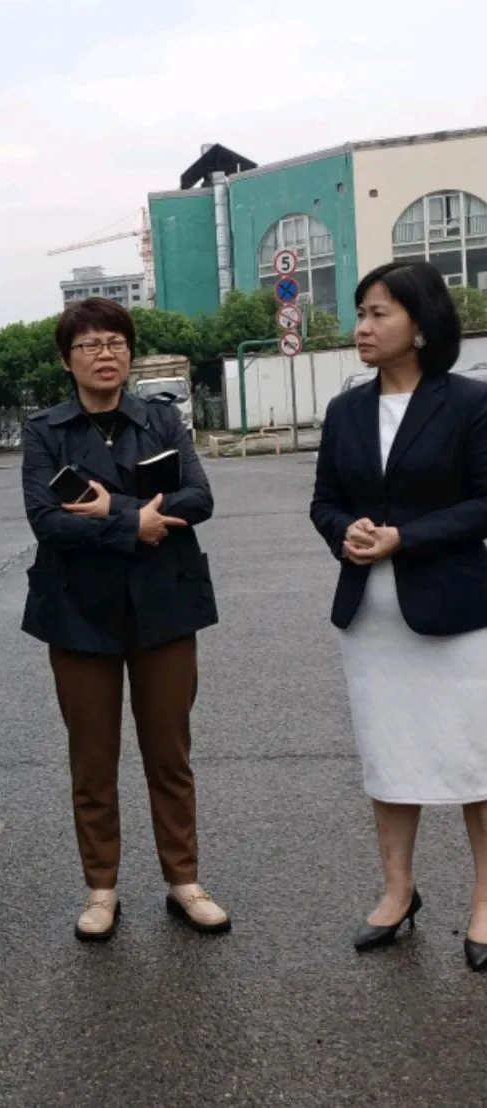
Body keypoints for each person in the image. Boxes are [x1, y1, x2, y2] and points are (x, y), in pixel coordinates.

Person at [21, 297, 229, 942]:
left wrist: (113, 511)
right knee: (92, 761)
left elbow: (200, 498)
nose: (104, 355)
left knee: (170, 754)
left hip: (164, 606)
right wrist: (132, 521)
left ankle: (184, 880)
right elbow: (47, 520)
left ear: (130, 353)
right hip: (79, 613)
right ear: (67, 360)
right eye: (89, 345)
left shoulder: (161, 419)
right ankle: (101, 887)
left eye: (115, 342)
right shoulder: (46, 431)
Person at [310, 261, 487, 971]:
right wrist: (345, 529)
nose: (362, 326)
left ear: (420, 325)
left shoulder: (470, 403)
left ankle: (485, 901)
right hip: (372, 622)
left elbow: (484, 502)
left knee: (475, 761)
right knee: (390, 758)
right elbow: (324, 500)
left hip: (457, 616)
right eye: (360, 313)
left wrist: (405, 537)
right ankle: (398, 891)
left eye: (378, 313)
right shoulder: (345, 411)